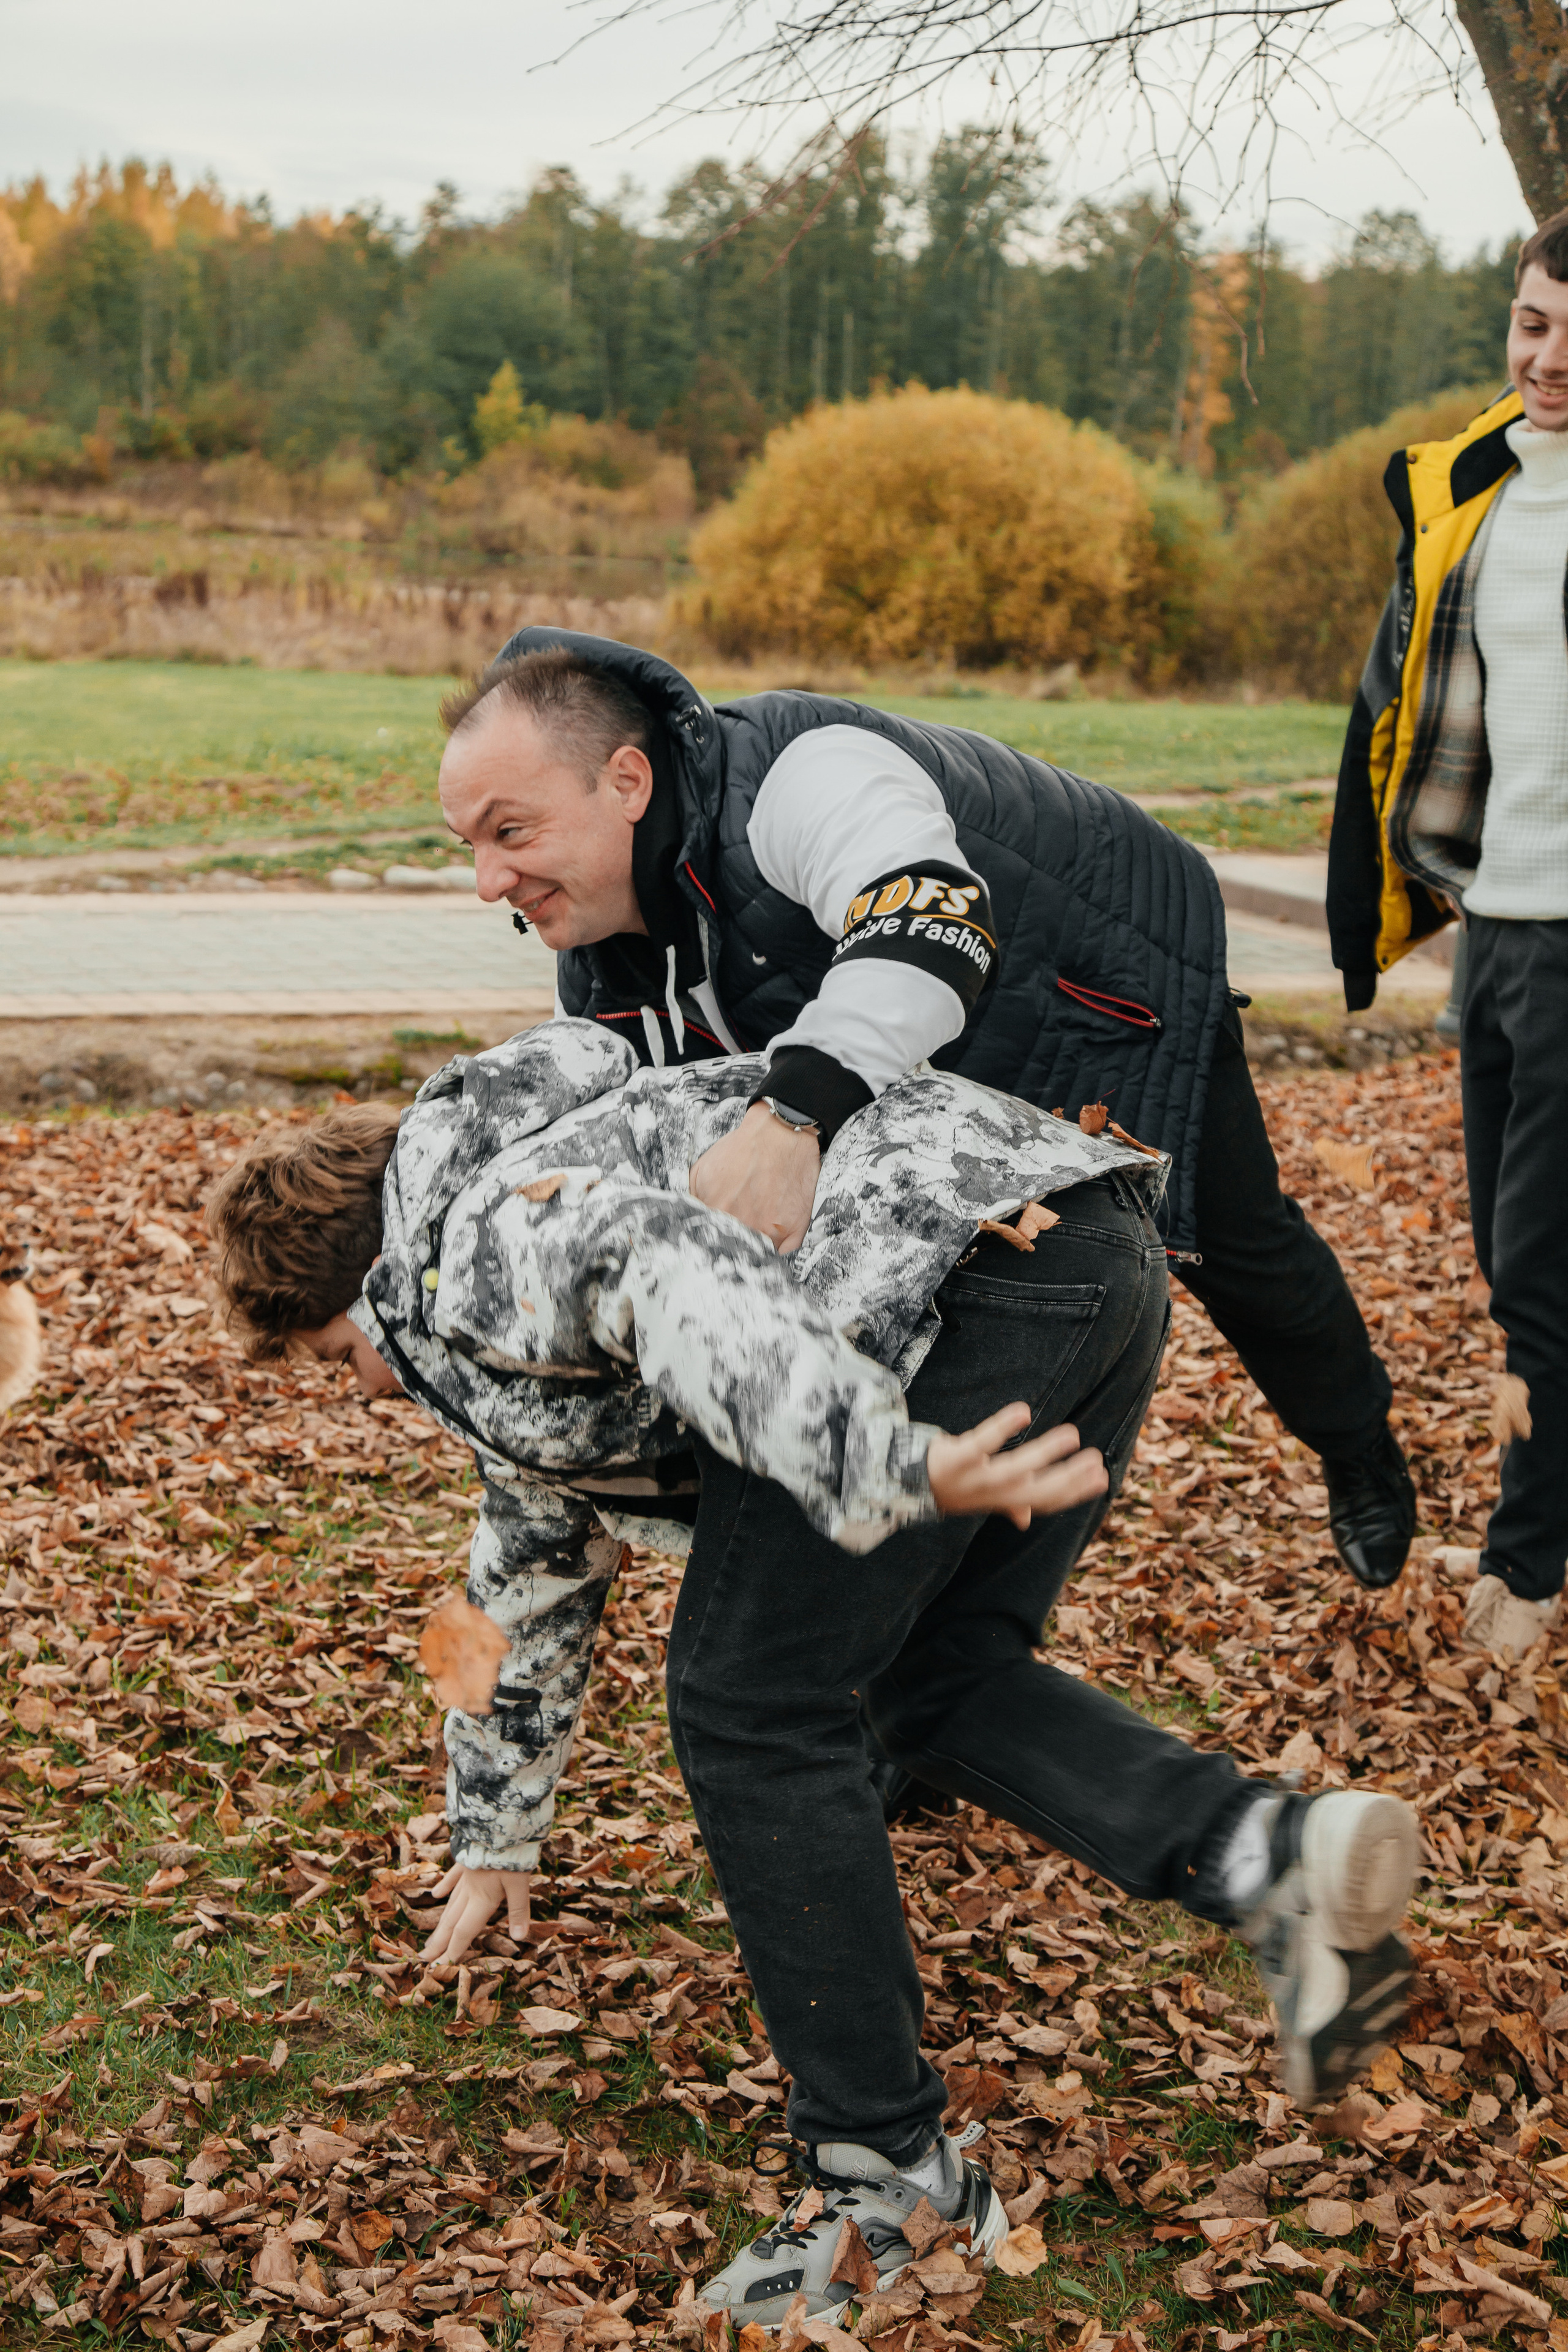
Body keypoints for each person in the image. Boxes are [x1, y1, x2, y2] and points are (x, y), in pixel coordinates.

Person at [207, 1022, 1419, 2329]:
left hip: (940, 1287)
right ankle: (1266, 1856)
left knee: (747, 1703)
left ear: (364, 1290)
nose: (363, 1391)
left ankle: (885, 2175)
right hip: (1077, 1248)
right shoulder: (496, 1282)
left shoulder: (479, 1241)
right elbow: (515, 1574)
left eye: (336, 1359)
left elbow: (657, 1256)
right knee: (930, 1672)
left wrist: (872, 1454)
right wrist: (494, 1831)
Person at [435, 635, 1416, 1597]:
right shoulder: (601, 965)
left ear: (627, 782)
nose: (487, 883)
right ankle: (947, 1575)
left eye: (510, 832)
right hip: (917, 1075)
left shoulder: (798, 776)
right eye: (470, 846)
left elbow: (933, 919)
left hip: (1094, 996)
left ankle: (1357, 1441)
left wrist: (790, 1116)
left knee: (1238, 1249)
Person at [1329, 208, 1568, 1659]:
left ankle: (1526, 1567)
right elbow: (1397, 698)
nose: (1547, 362)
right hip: (1498, 924)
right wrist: (1393, 889)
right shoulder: (1468, 490)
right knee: (1505, 1244)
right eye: (1532, 325)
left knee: (1538, 1266)